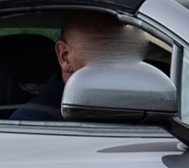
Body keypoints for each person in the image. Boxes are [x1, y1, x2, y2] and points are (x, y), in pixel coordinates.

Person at [12, 10, 140, 119]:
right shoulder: (32, 121)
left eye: (122, 50)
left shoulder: (137, 106)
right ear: (65, 56)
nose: (118, 61)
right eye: (102, 49)